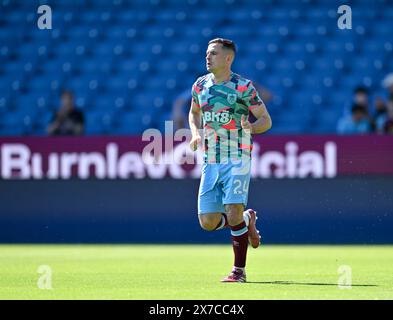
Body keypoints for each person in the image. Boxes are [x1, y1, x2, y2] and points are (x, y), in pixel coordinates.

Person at [188, 38, 272, 283]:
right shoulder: (200, 85)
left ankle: (239, 271)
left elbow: (266, 120)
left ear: (228, 58)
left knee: (232, 211)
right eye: (207, 53)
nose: (207, 57)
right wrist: (194, 132)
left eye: (213, 53)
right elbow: (194, 113)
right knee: (208, 221)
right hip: (210, 159)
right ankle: (247, 220)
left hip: (237, 157)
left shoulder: (243, 87)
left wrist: (251, 127)